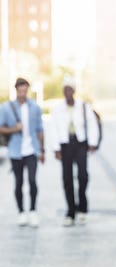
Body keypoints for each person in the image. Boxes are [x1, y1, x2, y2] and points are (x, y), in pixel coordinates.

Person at [50, 75, 99, 227]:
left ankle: (82, 208)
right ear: (63, 91)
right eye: (65, 89)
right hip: (65, 145)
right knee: (67, 178)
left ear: (74, 91)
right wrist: (56, 148)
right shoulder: (57, 108)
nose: (68, 92)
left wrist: (92, 143)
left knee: (83, 176)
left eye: (70, 89)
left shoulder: (83, 106)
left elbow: (92, 124)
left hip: (80, 144)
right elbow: (53, 128)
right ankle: (71, 211)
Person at [0, 77, 45, 227]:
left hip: (32, 150)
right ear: (16, 90)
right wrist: (14, 129)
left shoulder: (35, 107)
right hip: (15, 151)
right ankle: (21, 212)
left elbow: (40, 130)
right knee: (18, 183)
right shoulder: (6, 108)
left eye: (25, 90)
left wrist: (42, 150)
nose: (22, 93)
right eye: (20, 90)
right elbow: (1, 128)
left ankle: (32, 211)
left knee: (32, 181)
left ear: (27, 90)